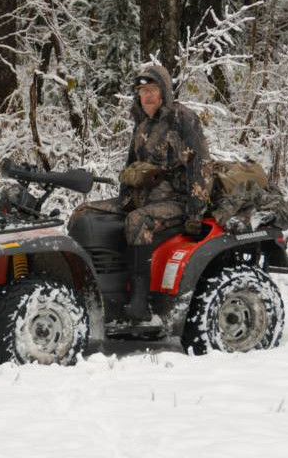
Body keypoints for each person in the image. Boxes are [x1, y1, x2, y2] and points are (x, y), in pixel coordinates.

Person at [68, 65, 211, 321]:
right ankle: (93, 287)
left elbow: (200, 166)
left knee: (137, 221)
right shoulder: (142, 124)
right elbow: (130, 166)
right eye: (142, 90)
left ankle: (140, 301)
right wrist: (123, 199)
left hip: (175, 201)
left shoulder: (182, 119)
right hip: (141, 198)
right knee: (84, 213)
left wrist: (195, 213)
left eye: (153, 89)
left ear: (164, 92)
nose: (147, 96)